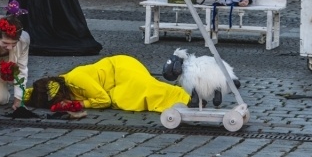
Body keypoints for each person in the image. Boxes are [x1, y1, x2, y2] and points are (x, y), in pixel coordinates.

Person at [28, 55, 192, 113]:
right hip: (115, 80)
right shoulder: (59, 83)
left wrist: (79, 104)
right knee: (123, 98)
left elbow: (103, 100)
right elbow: (35, 92)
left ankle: (188, 99)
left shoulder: (76, 81)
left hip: (122, 71)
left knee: (149, 92)